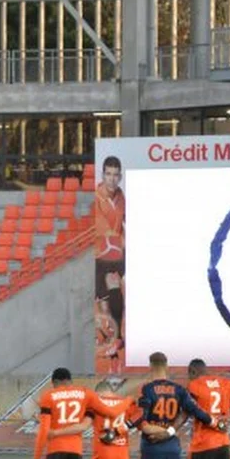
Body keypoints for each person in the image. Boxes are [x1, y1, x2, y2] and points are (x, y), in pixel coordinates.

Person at [93, 156, 125, 372]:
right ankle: (110, 343)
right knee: (103, 301)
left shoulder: (122, 197)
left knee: (114, 290)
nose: (112, 179)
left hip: (117, 255)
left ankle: (117, 339)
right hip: (100, 255)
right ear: (103, 175)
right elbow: (105, 228)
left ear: (120, 176)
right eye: (108, 174)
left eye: (115, 175)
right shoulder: (96, 197)